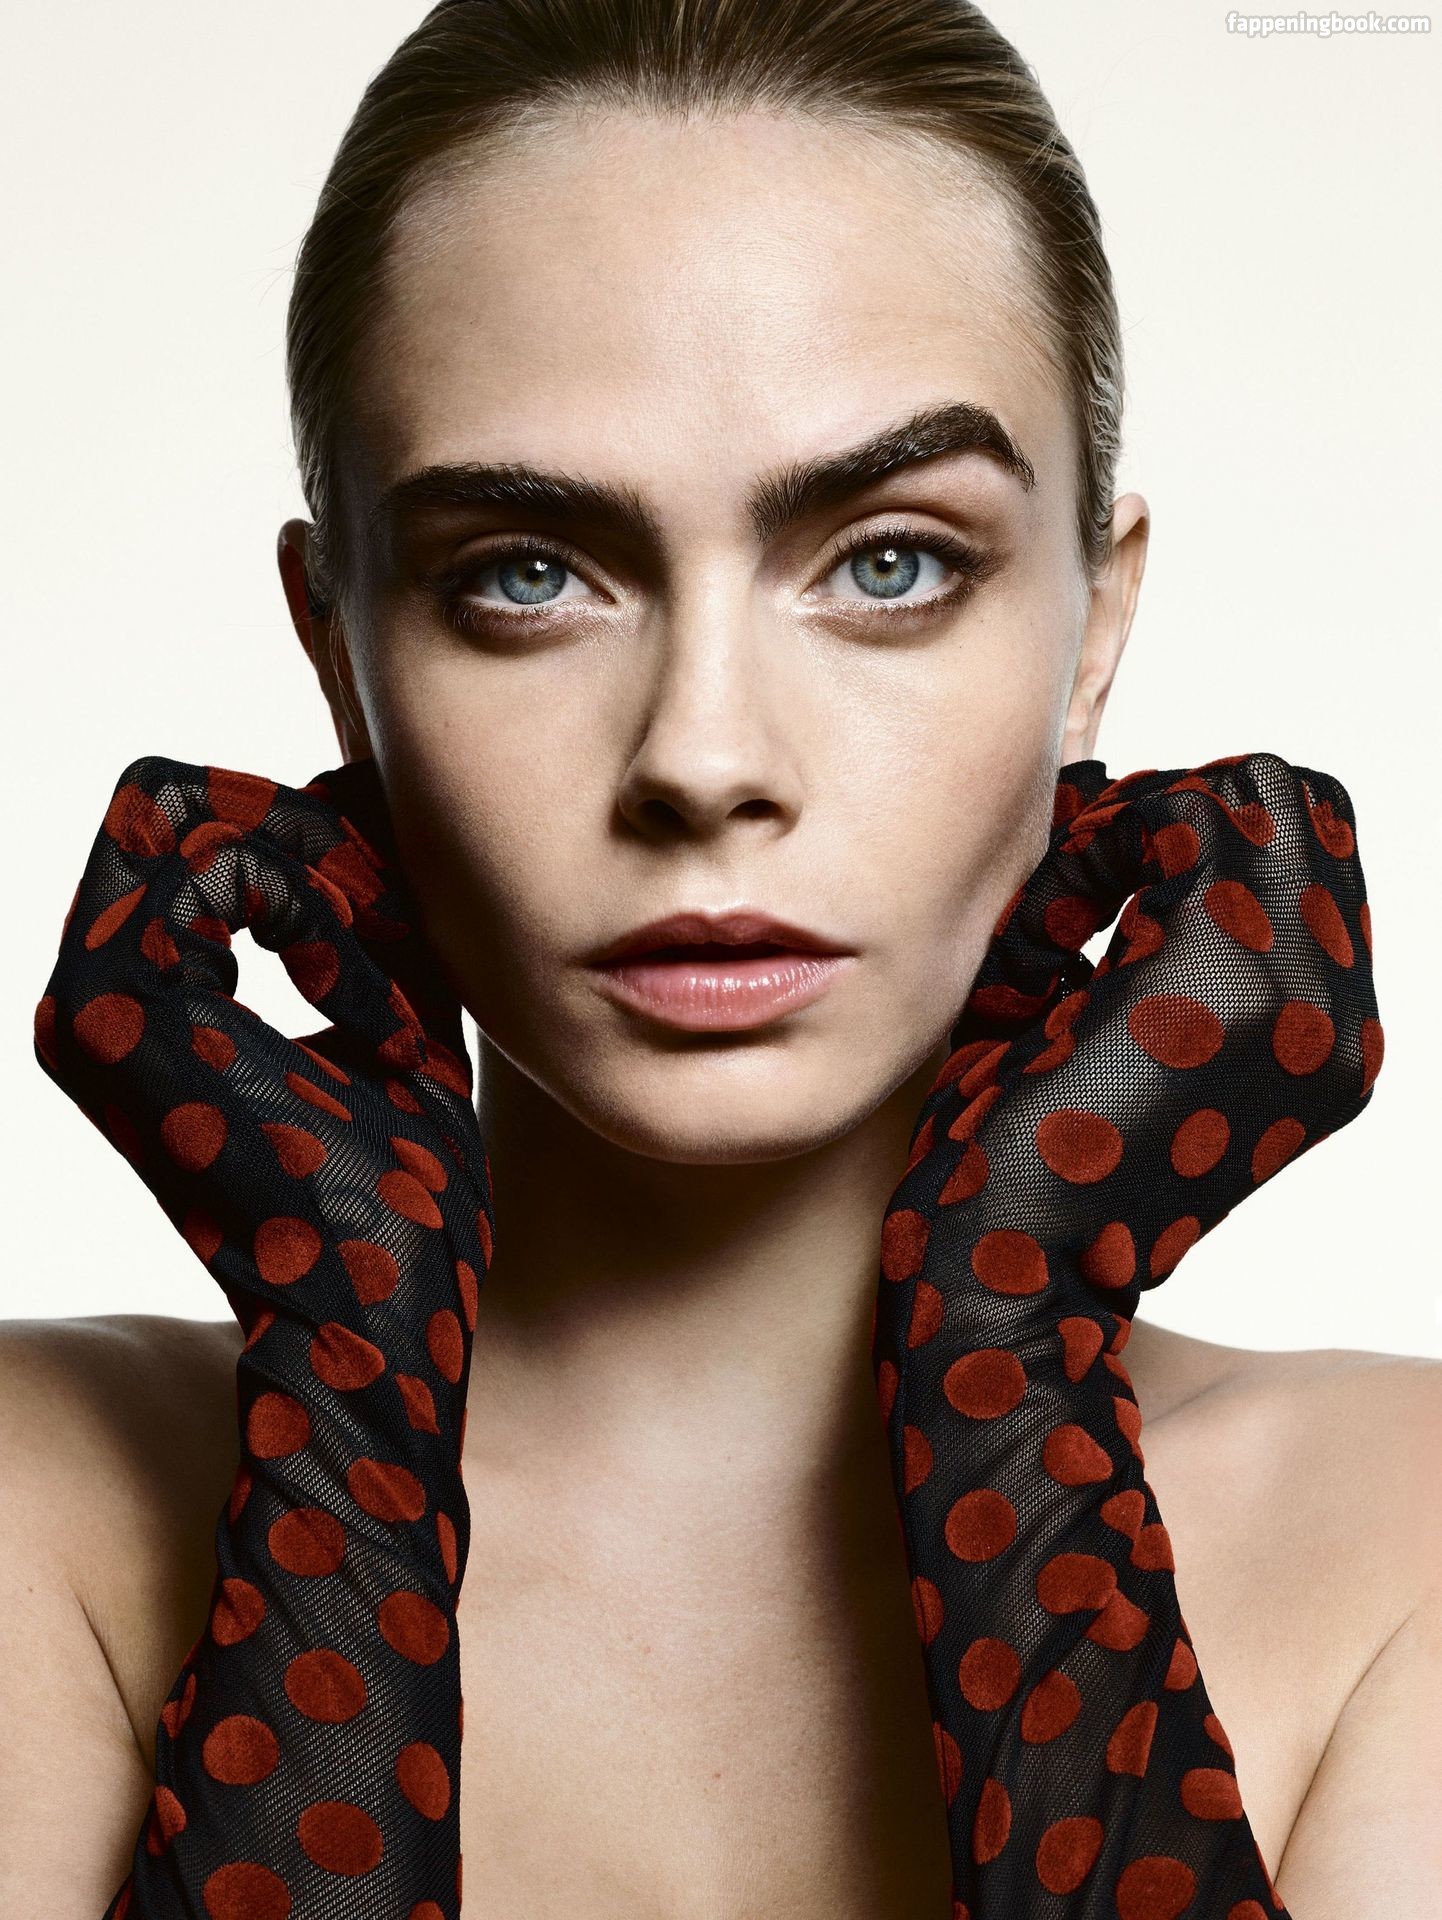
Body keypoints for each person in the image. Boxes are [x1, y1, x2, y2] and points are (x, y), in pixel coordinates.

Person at [3, 1, 1438, 1914]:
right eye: (525, 574)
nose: (701, 757)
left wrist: (1003, 1348)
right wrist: (347, 1401)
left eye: (889, 561)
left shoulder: (1402, 1545)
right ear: (338, 646)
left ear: (1092, 625)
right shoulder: (42, 1509)